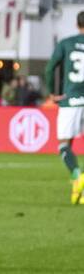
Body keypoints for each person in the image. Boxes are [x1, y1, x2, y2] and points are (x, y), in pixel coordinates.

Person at [44, 11, 84, 204]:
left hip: (71, 101)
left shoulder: (66, 43)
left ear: (77, 25)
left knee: (64, 144)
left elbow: (50, 68)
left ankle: (78, 175)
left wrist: (52, 92)